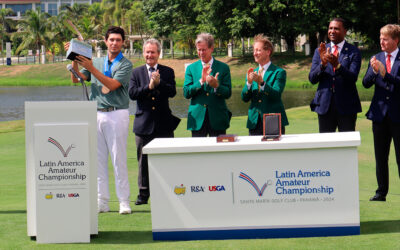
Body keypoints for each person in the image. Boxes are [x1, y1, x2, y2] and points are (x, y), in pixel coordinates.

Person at [65, 26, 133, 214]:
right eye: (111, 39)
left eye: (118, 40)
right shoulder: (97, 60)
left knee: (118, 159)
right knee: (99, 160)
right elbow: (76, 79)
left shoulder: (125, 64)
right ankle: (102, 201)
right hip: (96, 113)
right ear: (105, 41)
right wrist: (75, 61)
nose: (114, 43)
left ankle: (124, 201)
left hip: (116, 113)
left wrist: (91, 67)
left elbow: (111, 85)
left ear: (123, 42)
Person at [129, 39, 180, 205]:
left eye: (153, 52)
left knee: (166, 160)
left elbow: (172, 92)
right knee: (143, 162)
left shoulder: (167, 71)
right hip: (143, 124)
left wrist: (159, 84)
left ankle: (166, 193)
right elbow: (133, 93)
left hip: (163, 123)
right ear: (143, 53)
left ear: (159, 54)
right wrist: (149, 87)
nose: (150, 55)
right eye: (147, 52)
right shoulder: (136, 73)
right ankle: (143, 195)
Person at [363, 24, 400, 202]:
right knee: (380, 157)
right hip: (379, 115)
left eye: (385, 38)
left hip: (398, 115)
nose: (381, 41)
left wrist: (386, 75)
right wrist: (375, 72)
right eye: (380, 38)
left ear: (396, 40)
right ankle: (381, 192)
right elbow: (365, 83)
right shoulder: (376, 57)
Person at [309, 17, 362, 133]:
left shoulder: (354, 52)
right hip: (324, 106)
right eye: (330, 28)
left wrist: (337, 65)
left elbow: (352, 78)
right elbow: (312, 78)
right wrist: (322, 65)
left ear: (345, 31)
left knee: (346, 146)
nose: (332, 31)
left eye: (336, 28)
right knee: (326, 147)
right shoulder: (320, 51)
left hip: (347, 106)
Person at [183, 33, 232, 137]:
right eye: (199, 50)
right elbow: (186, 93)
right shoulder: (191, 68)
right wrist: (201, 81)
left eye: (204, 49)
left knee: (218, 152)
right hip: (197, 120)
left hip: (218, 119)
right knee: (198, 153)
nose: (201, 53)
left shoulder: (223, 68)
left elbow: (228, 93)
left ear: (211, 48)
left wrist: (216, 86)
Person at [241, 34, 288, 135]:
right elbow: (244, 98)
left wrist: (262, 83)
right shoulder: (251, 72)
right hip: (254, 122)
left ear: (268, 52)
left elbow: (276, 94)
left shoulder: (279, 72)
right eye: (254, 50)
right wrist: (248, 83)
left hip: (273, 120)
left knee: (273, 150)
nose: (255, 53)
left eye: (258, 50)